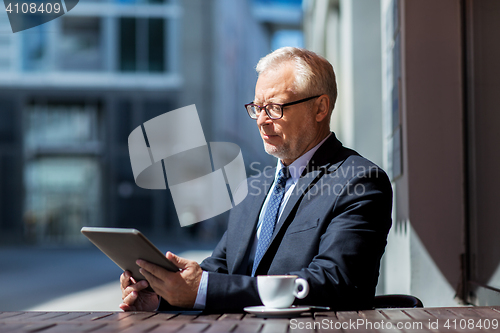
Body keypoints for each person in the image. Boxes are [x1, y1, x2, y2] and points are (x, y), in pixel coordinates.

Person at [120, 47, 392, 312]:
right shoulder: (253, 188)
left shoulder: (359, 182)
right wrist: (163, 294)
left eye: (274, 108)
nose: (261, 120)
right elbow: (223, 269)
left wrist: (202, 289)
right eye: (257, 107)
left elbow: (335, 282)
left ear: (320, 108)